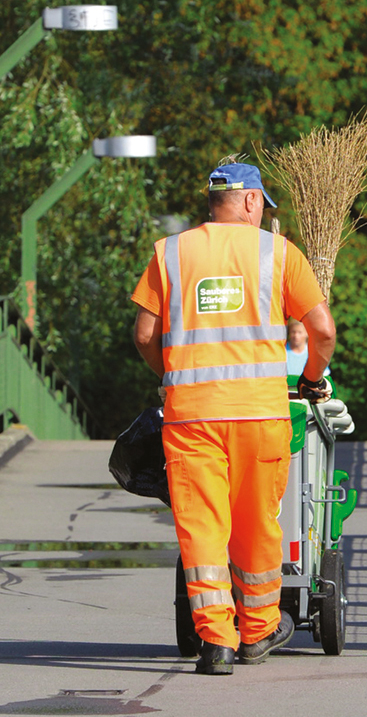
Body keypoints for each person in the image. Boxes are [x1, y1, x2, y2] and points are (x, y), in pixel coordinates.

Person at [132, 162, 337, 675]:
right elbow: (323, 331)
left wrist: (172, 373)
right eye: (262, 203)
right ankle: (259, 630)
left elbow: (143, 335)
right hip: (260, 416)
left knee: (201, 530)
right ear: (249, 202)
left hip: (191, 418)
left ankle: (217, 642)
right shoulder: (277, 253)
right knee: (257, 526)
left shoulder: (170, 252)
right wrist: (311, 378)